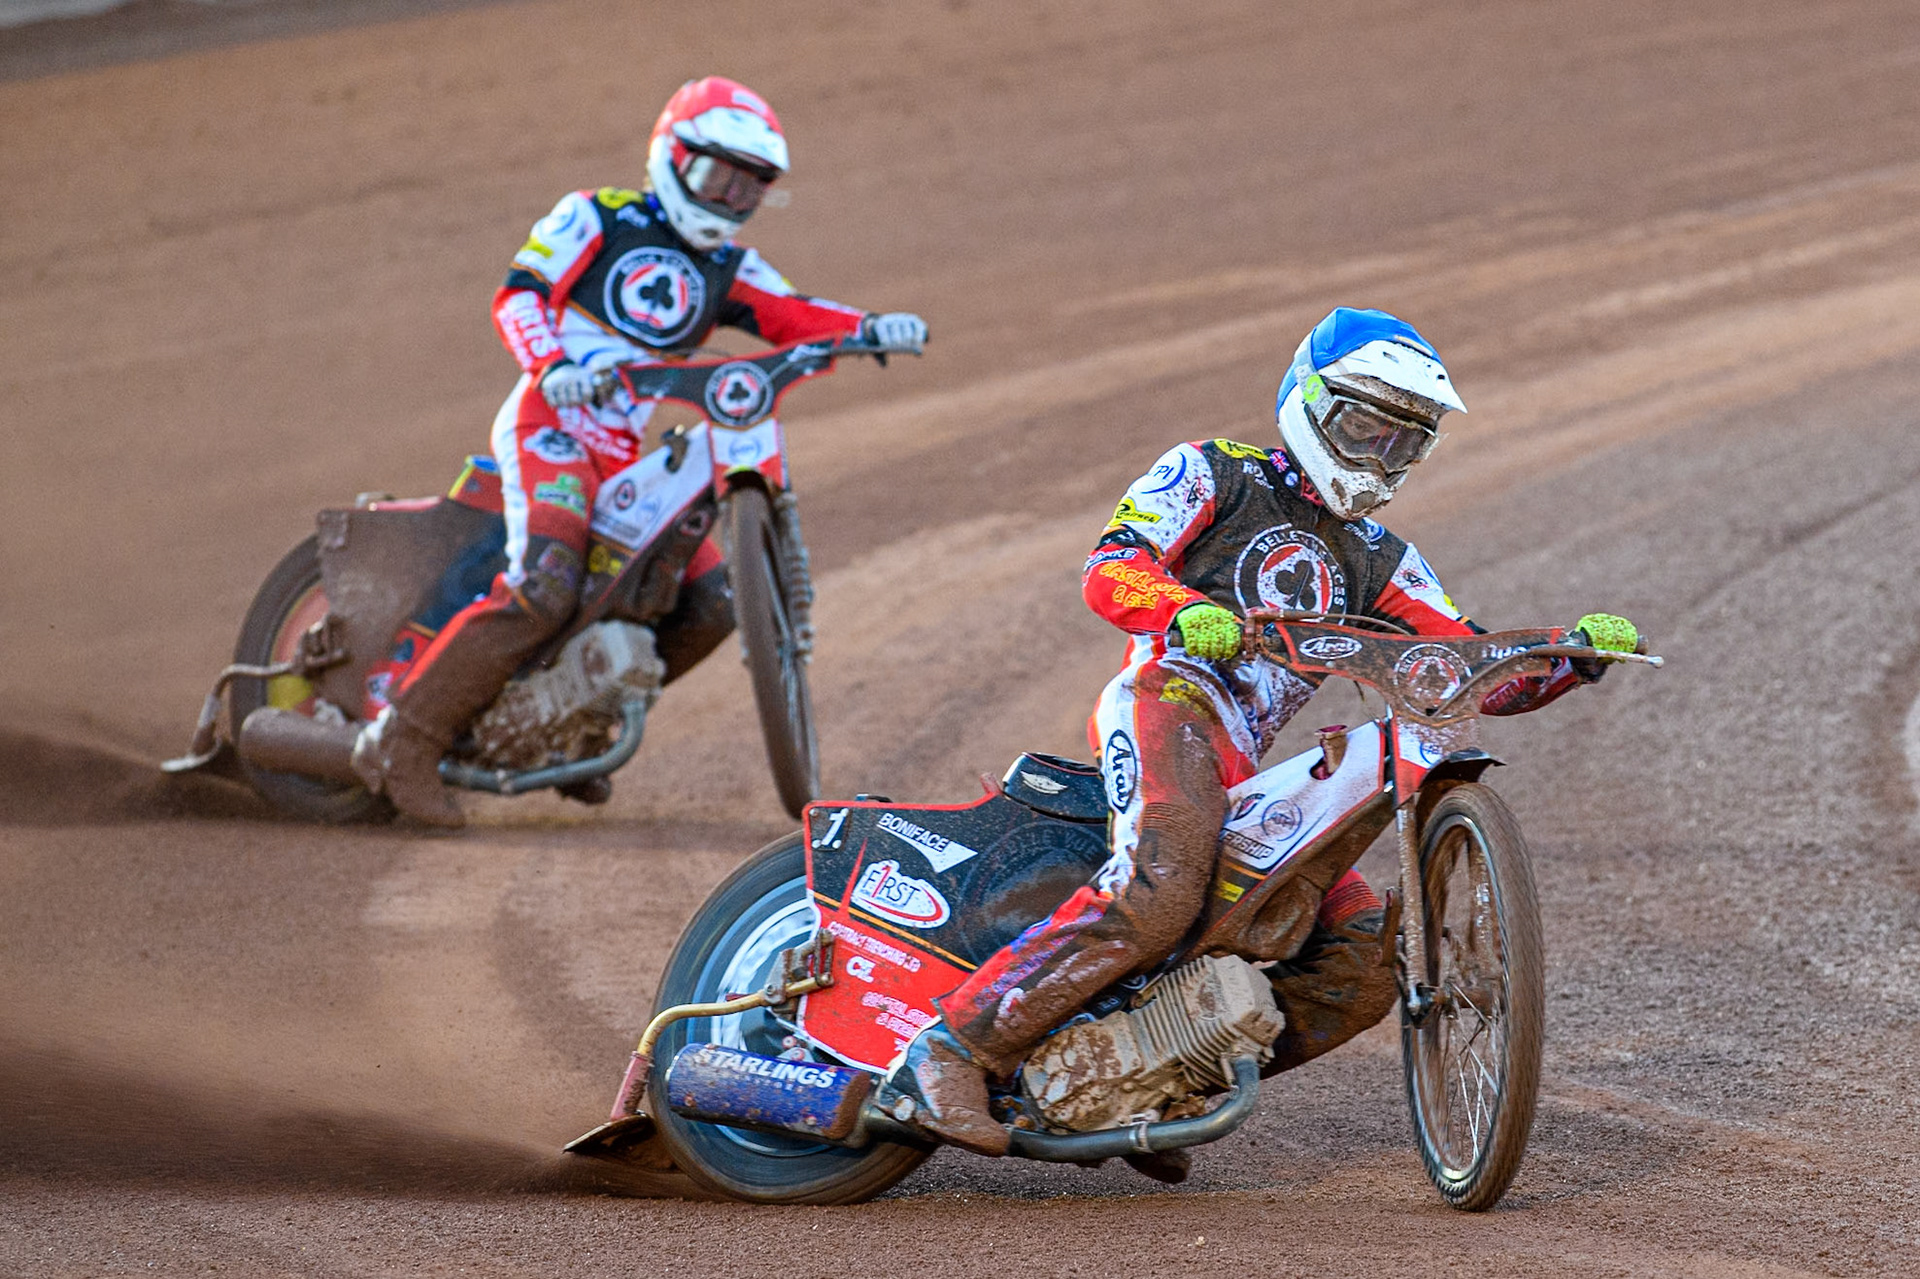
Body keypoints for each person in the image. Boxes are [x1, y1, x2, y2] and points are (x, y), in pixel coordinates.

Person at [883, 306, 1639, 1157]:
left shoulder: (1383, 558)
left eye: (1403, 442)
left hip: (1243, 766)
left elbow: (1461, 662)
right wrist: (1184, 609)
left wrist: (1566, 657)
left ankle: (1156, 1082)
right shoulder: (1211, 471)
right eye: (1365, 428)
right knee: (1161, 888)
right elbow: (1111, 565)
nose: (1379, 456)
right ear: (1310, 403)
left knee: (1361, 964)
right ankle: (949, 1049)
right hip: (1167, 703)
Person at [352, 76, 928, 827]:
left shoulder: (729, 269)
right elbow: (520, 294)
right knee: (546, 582)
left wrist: (871, 327)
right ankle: (403, 742)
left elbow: (795, 313)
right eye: (716, 177)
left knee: (716, 601)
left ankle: (569, 724)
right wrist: (552, 366)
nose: (728, 199)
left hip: (622, 456)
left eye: (747, 188)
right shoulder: (595, 215)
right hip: (550, 427)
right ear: (672, 156)